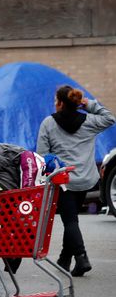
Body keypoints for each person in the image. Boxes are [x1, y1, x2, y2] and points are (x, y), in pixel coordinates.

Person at [37, 85, 116, 277]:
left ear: (61, 103)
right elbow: (110, 118)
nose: (54, 104)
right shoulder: (89, 121)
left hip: (63, 180)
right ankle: (64, 259)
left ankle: (81, 258)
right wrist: (88, 104)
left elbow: (41, 154)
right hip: (85, 180)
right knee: (71, 219)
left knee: (70, 220)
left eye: (56, 100)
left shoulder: (48, 123)